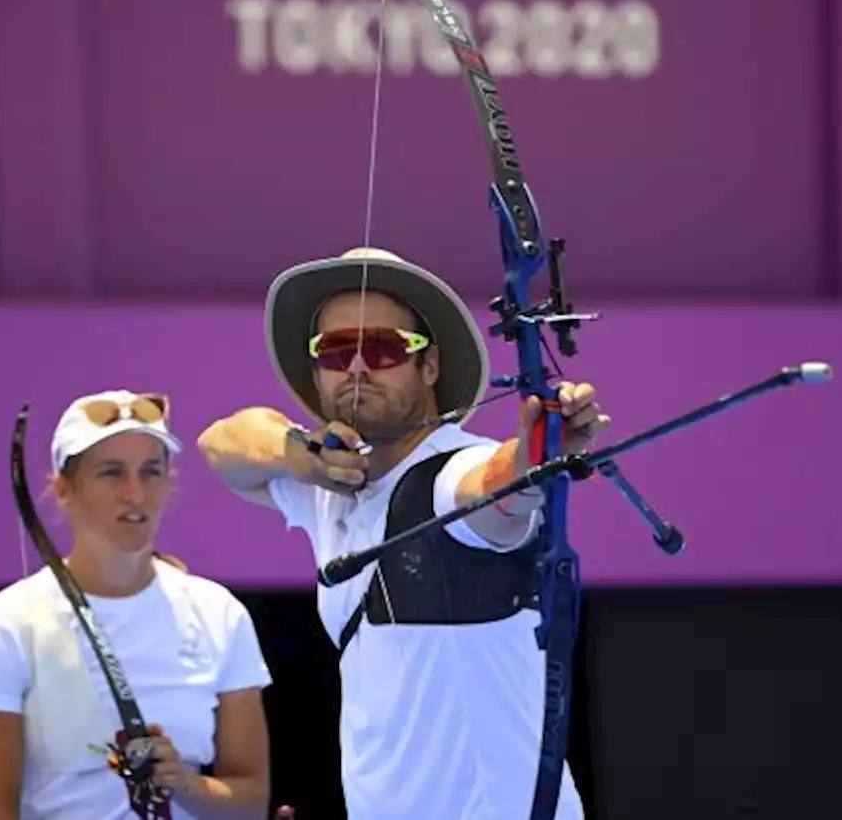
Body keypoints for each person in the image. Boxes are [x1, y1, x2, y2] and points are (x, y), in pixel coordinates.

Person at [197, 248, 610, 820]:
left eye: (385, 348)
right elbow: (221, 444)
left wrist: (536, 456)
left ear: (430, 367)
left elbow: (494, 490)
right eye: (336, 351)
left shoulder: (453, 470)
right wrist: (300, 456)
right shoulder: (331, 481)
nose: (358, 367)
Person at [0, 389, 273, 820]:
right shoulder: (3, 627)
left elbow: (250, 803)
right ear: (64, 490)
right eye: (111, 473)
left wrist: (185, 784)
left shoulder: (219, 614)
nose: (135, 493)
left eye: (151, 471)